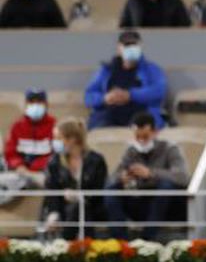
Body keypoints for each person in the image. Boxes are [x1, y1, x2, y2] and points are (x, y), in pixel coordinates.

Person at [103, 112, 189, 241]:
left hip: (165, 205)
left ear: (155, 132)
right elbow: (111, 179)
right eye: (137, 136)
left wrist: (151, 173)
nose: (141, 140)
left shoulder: (170, 149)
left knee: (166, 186)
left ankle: (148, 238)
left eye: (145, 136)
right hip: (139, 201)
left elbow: (182, 177)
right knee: (111, 190)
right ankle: (120, 240)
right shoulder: (131, 151)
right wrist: (122, 178)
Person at [41, 119, 109, 240]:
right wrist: (53, 213)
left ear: (72, 139)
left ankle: (64, 244)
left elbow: (99, 190)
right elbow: (51, 191)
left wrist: (79, 196)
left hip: (92, 208)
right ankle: (85, 248)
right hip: (62, 209)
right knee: (74, 209)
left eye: (58, 138)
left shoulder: (96, 160)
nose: (54, 142)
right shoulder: (54, 162)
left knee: (79, 207)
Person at [84, 31, 167, 129]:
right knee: (97, 128)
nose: (131, 48)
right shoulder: (106, 70)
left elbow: (159, 91)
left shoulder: (151, 69)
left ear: (140, 47)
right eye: (127, 45)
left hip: (141, 112)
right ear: (119, 48)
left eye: (134, 45)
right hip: (109, 113)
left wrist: (130, 95)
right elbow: (88, 96)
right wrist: (105, 98)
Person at [4, 90, 55, 186]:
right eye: (31, 102)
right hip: (20, 171)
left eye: (39, 102)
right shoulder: (17, 126)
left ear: (46, 104)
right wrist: (18, 165)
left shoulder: (54, 125)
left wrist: (36, 168)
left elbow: (57, 153)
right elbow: (10, 152)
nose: (35, 105)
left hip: (45, 171)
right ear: (26, 104)